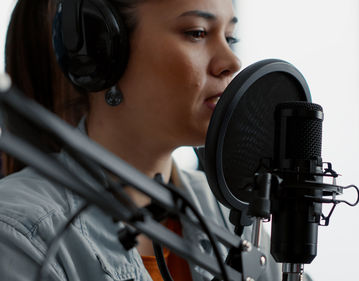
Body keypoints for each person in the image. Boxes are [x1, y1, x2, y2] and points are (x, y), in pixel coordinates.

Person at [0, 0, 281, 280]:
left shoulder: (227, 213)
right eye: (197, 33)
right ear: (102, 50)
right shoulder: (19, 233)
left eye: (230, 38)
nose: (232, 63)